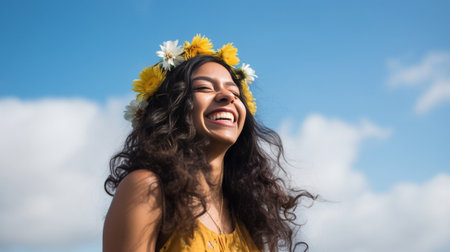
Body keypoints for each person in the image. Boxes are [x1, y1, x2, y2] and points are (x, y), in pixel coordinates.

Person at [103, 34, 314, 252]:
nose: (228, 96)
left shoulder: (249, 215)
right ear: (171, 107)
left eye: (234, 92)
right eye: (204, 88)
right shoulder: (148, 189)